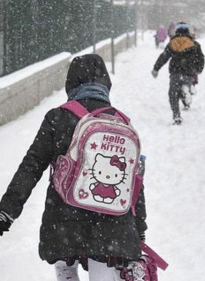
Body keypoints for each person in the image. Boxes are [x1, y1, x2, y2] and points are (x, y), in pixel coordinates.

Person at [0, 54, 147, 281]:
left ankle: (66, 272)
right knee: (104, 268)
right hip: (111, 225)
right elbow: (134, 181)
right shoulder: (121, 123)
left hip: (64, 219)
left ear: (71, 83)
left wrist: (7, 211)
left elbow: (31, 166)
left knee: (65, 264)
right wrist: (139, 228)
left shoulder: (58, 118)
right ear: (105, 84)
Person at [151, 22, 205, 125]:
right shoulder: (195, 44)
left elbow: (164, 57)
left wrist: (156, 69)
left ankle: (176, 115)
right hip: (189, 73)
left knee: (173, 94)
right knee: (185, 85)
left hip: (175, 72)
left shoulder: (172, 43)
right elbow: (201, 59)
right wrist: (198, 69)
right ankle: (187, 90)